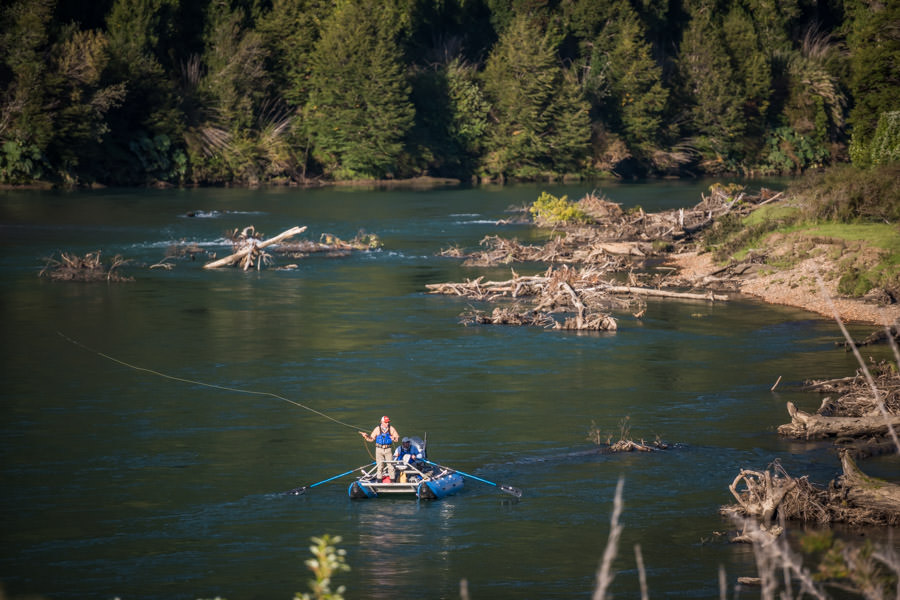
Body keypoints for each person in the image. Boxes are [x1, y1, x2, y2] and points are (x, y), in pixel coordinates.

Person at [359, 415, 399, 482]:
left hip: (388, 449)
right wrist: (366, 436)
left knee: (390, 466)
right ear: (382, 422)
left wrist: (394, 438)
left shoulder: (391, 428)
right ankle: (379, 481)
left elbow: (397, 438)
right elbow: (371, 439)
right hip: (379, 450)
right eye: (386, 422)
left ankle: (393, 481)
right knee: (380, 466)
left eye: (388, 422)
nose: (387, 423)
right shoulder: (377, 429)